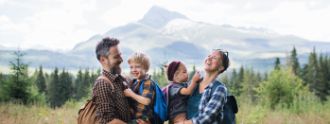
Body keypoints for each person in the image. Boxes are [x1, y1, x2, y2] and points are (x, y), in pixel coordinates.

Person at [182, 49, 230, 124]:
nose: (209, 58)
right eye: (209, 56)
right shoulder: (194, 84)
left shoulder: (219, 89)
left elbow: (207, 117)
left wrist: (183, 123)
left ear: (221, 67)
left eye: (214, 58)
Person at [93, 37, 131, 124]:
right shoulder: (102, 84)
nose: (121, 60)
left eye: (120, 55)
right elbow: (109, 121)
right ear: (103, 59)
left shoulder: (119, 79)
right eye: (116, 57)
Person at [124, 52, 158, 124]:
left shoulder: (148, 82)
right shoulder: (136, 82)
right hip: (136, 117)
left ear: (145, 68)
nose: (134, 69)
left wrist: (131, 94)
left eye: (137, 67)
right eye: (131, 67)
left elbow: (146, 101)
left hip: (143, 118)